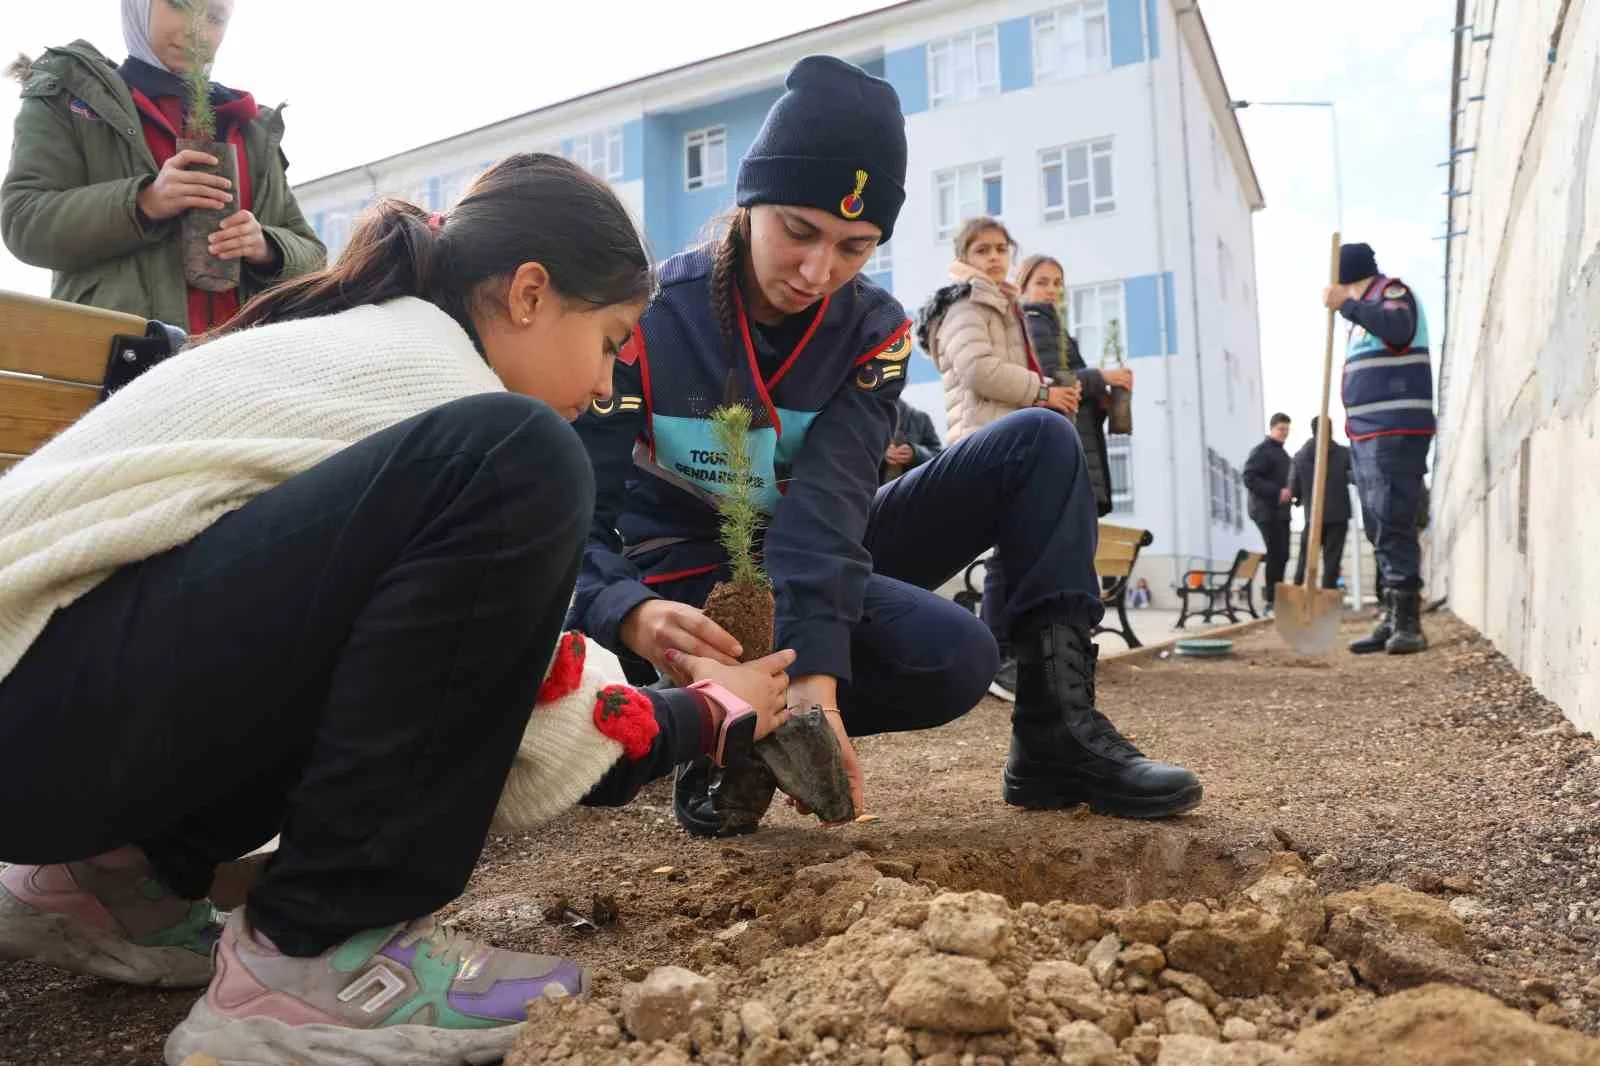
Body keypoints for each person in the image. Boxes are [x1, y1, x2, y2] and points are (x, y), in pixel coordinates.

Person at [0, 154, 798, 1066]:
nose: (610, 384)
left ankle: (110, 881)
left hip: (41, 717)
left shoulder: (376, 346)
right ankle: (312, 956)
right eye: (613, 341)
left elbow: (393, 656)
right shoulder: (436, 384)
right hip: (33, 729)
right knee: (528, 457)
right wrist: (714, 709)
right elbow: (509, 710)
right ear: (531, 293)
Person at [572, 56, 1201, 840]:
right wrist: (629, 613)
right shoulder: (648, 319)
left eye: (855, 247)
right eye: (798, 231)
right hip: (689, 587)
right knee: (927, 647)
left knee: (1033, 456)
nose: (817, 271)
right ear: (750, 199)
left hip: (810, 549)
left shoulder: (873, 332)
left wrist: (816, 689)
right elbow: (574, 521)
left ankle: (1055, 740)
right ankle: (721, 730)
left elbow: (830, 507)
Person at [2, 0, 325, 335]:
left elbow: (314, 257)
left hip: (242, 371)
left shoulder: (250, 127)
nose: (196, 31)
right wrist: (145, 202)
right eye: (179, 5)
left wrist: (266, 247)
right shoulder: (70, 99)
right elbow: (23, 220)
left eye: (214, 18)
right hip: (118, 368)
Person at [917, 220, 1082, 701]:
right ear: (964, 255)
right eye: (981, 248)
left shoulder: (1003, 302)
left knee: (1016, 549)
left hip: (1005, 438)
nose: (993, 256)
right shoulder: (967, 302)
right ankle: (995, 655)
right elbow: (978, 371)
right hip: (984, 440)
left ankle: (1008, 652)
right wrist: (1043, 390)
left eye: (1000, 248)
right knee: (1008, 556)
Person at [1325, 242, 1433, 654]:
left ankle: (1410, 623)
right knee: (1377, 525)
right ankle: (1391, 615)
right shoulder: (1362, 315)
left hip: (1395, 430)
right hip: (1367, 435)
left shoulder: (1391, 293)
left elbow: (1399, 330)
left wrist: (1347, 306)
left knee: (1393, 518)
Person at [1015, 253, 1134, 518]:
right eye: (1042, 282)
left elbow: (1069, 382)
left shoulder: (1053, 327)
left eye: (1057, 283)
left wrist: (1100, 396)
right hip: (1065, 440)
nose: (1051, 290)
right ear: (1023, 288)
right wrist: (1102, 377)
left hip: (1077, 437)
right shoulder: (1034, 322)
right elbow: (1051, 380)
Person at [1289, 415, 1354, 588]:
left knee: (1306, 557)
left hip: (1312, 515)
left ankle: (1299, 591)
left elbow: (1293, 488)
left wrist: (1299, 500)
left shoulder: (1300, 456)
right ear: (1331, 429)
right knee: (1332, 559)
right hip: (1338, 514)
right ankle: (1327, 595)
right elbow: (1356, 477)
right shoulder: (1343, 454)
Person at [1243, 413, 1293, 613]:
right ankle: (1272, 599)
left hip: (1282, 512)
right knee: (1275, 552)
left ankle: (1278, 596)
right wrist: (1276, 492)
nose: (1284, 434)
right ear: (1272, 428)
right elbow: (1249, 477)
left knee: (1284, 554)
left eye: (1287, 430)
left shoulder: (1284, 455)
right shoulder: (1262, 451)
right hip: (1265, 511)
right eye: (1281, 429)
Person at [881, 396, 942, 483]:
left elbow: (938, 459)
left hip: (915, 490)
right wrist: (880, 453)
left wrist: (915, 453)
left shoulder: (921, 419)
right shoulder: (864, 420)